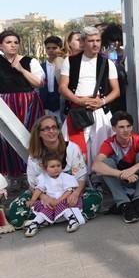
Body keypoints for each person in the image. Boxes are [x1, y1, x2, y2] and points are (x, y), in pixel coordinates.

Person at [4, 115, 101, 229]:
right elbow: (33, 184)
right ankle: (65, 216)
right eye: (46, 128)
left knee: (95, 198)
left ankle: (44, 219)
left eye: (54, 127)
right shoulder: (34, 156)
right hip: (44, 196)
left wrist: (75, 194)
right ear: (39, 133)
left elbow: (81, 178)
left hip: (68, 194)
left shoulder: (72, 148)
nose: (52, 131)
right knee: (15, 212)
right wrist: (45, 198)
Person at [59, 26, 120, 167]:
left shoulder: (108, 63)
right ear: (83, 42)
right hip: (77, 111)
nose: (95, 44)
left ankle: (99, 181)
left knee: (101, 150)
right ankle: (79, 181)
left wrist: (101, 102)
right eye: (91, 40)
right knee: (75, 150)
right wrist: (78, 101)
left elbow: (116, 91)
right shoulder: (70, 61)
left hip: (100, 111)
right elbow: (62, 87)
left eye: (98, 40)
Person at [92, 111, 139, 224]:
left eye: (128, 126)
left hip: (135, 180)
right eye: (121, 127)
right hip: (118, 184)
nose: (125, 130)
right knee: (106, 162)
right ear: (114, 128)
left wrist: (133, 169)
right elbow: (96, 166)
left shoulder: (138, 139)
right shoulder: (109, 143)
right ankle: (124, 203)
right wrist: (121, 174)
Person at [0, 30, 45, 179]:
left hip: (28, 104)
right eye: (8, 42)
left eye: (15, 42)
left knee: (31, 138)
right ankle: (13, 176)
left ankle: (33, 175)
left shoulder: (29, 61)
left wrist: (21, 69)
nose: (13, 45)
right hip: (5, 105)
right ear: (1, 46)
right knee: (6, 140)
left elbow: (39, 83)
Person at [24, 152, 84, 237]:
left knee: (63, 204)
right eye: (52, 166)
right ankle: (35, 224)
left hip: (63, 198)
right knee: (45, 208)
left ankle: (72, 220)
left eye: (58, 165)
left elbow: (69, 190)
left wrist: (58, 200)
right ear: (45, 168)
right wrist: (33, 200)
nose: (56, 169)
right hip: (50, 200)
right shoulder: (43, 178)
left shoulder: (65, 177)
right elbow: (39, 189)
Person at [100, 23, 128, 113]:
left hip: (125, 91)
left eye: (118, 40)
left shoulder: (125, 53)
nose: (116, 43)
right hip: (109, 91)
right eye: (113, 40)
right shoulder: (103, 55)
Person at [40, 35, 64, 121]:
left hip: (60, 102)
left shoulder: (65, 65)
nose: (51, 50)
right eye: (48, 48)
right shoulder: (40, 67)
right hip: (45, 103)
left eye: (54, 48)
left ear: (60, 48)